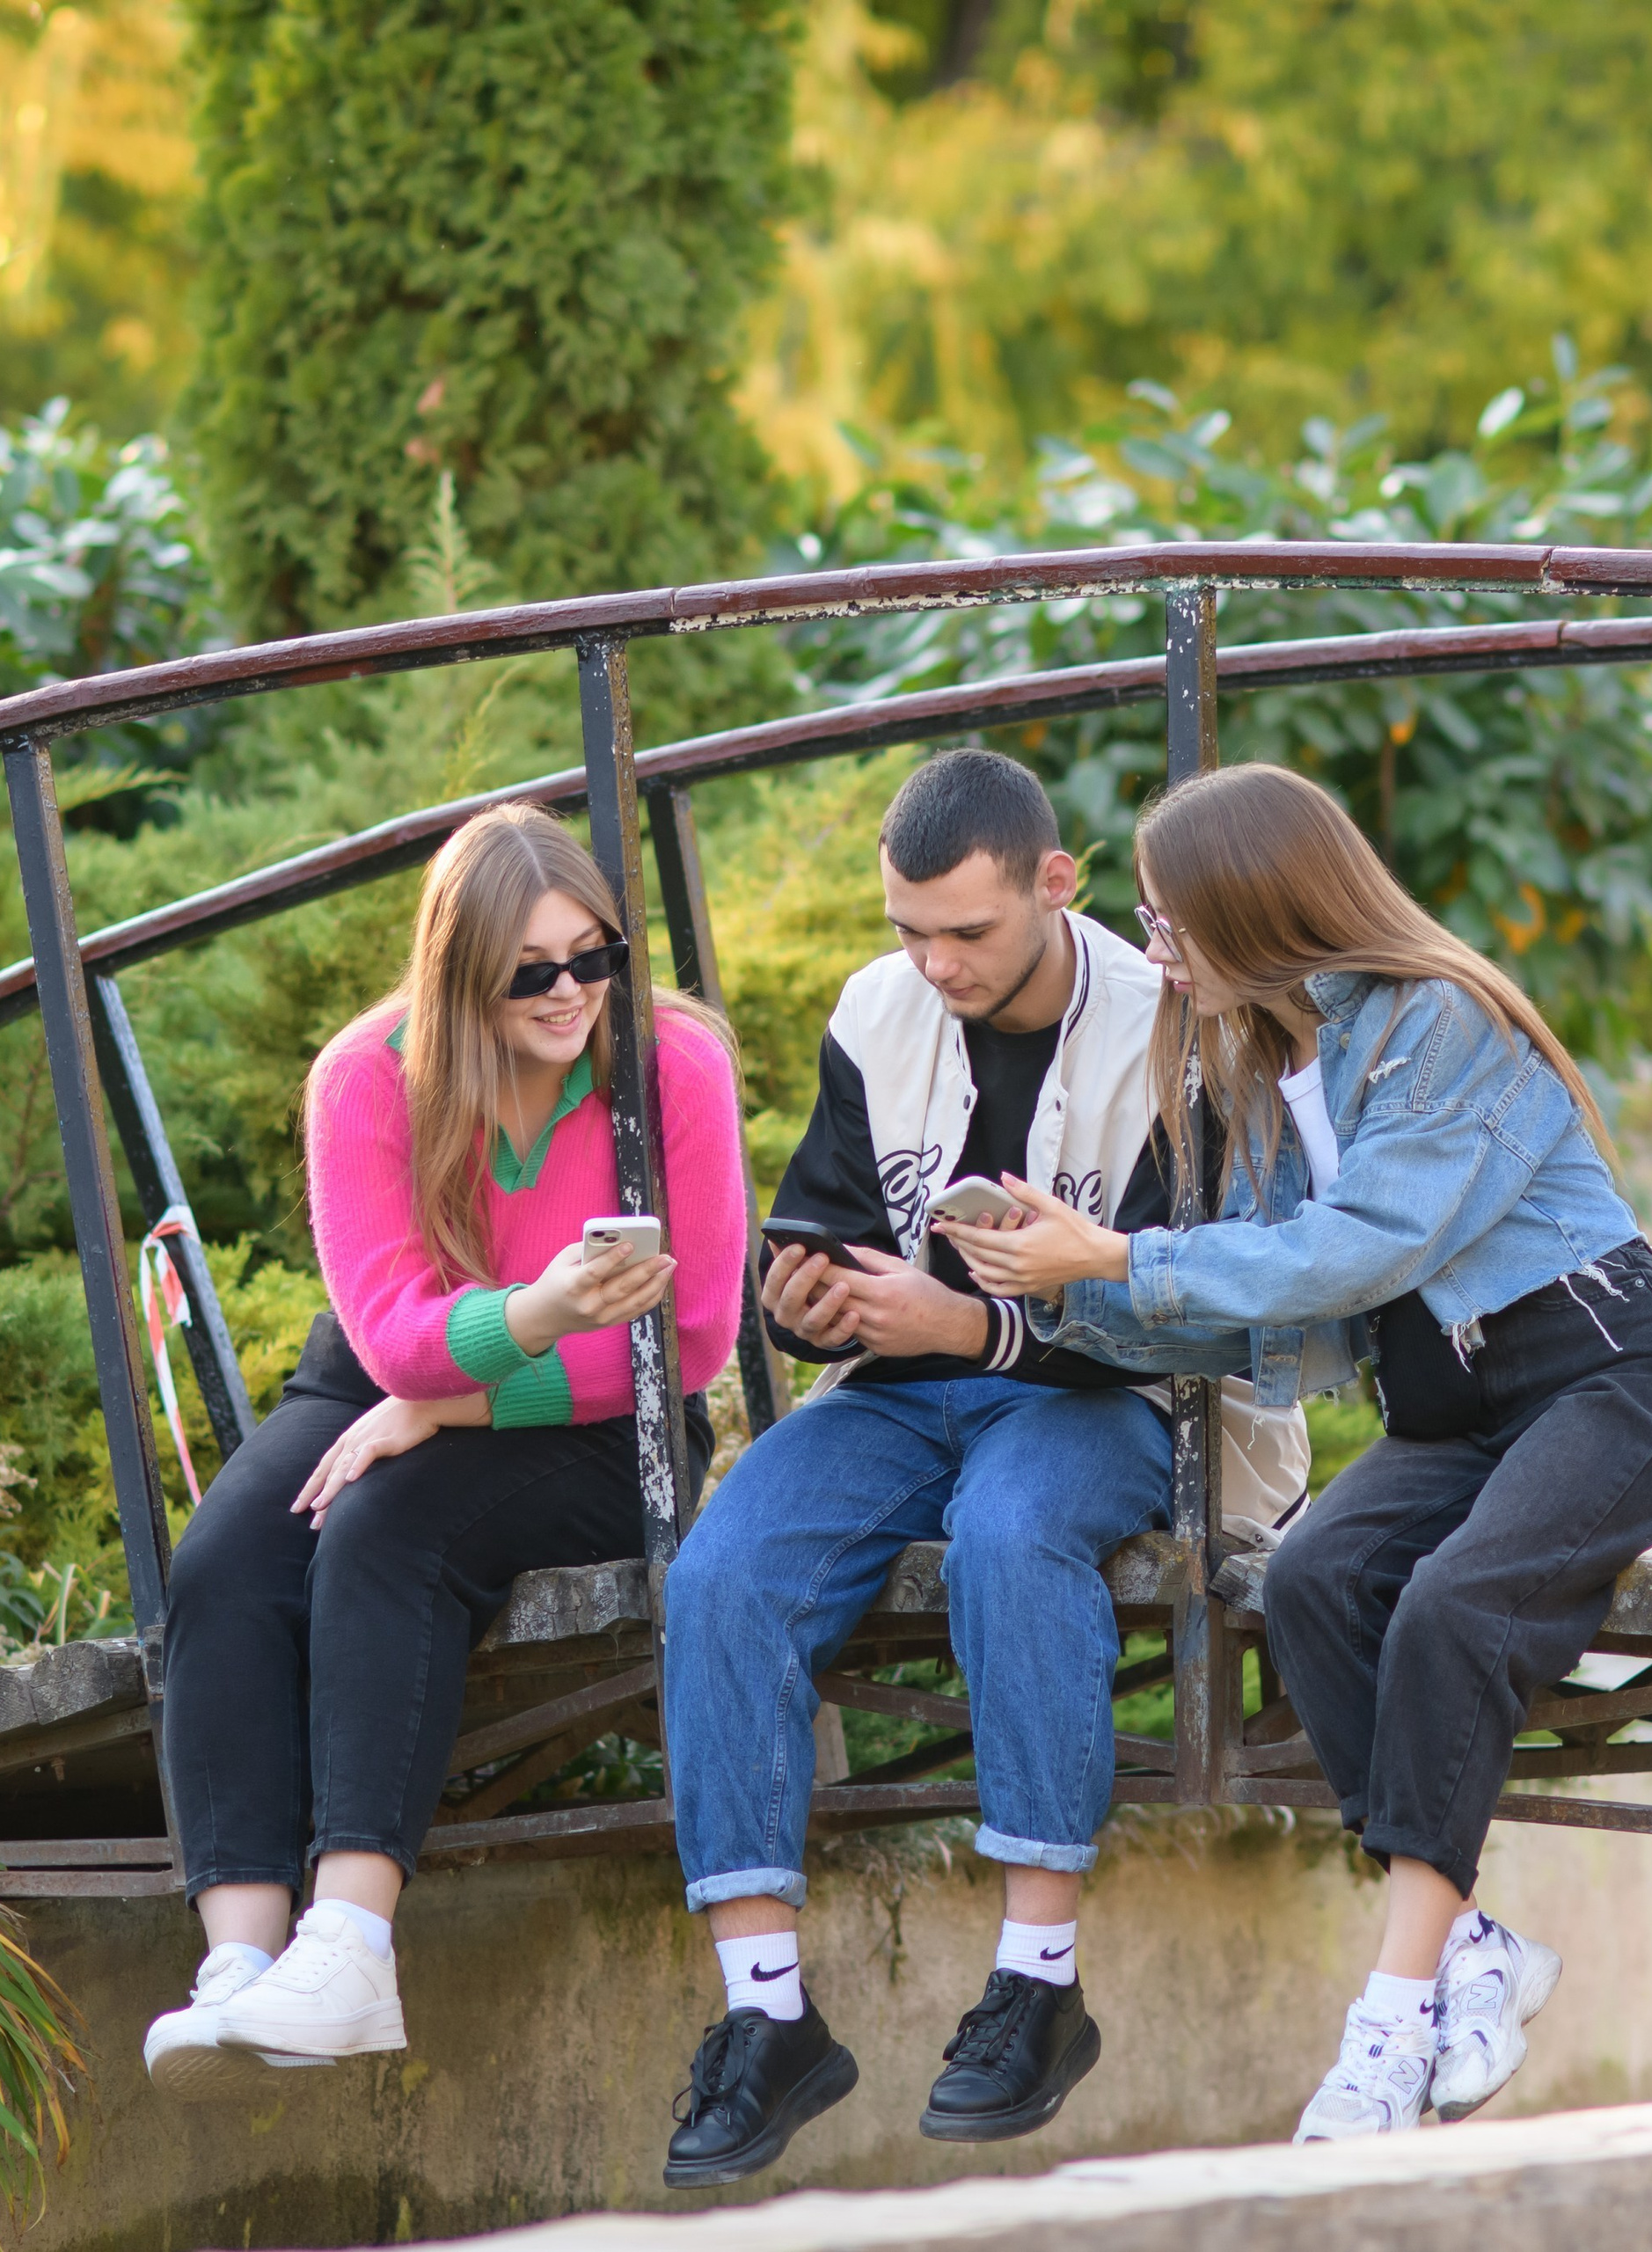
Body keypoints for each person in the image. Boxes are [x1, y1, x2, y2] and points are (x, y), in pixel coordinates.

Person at [947, 763, 1652, 2143]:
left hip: (1611, 1382)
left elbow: (1361, 1248)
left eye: (1172, 919)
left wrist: (1120, 1253)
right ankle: (1475, 1946)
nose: (1157, 950)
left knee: (1455, 1603)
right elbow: (1268, 1313)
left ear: (1258, 906)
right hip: (1455, 1419)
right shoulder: (1265, 1068)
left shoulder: (1437, 1022)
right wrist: (1057, 1288)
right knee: (1310, 1581)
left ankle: (1392, 2018)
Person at [141, 804, 744, 2101]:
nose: (571, 992)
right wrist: (491, 1346)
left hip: (613, 1413)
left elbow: (688, 1340)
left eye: (594, 957)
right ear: (459, 973)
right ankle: (239, 1969)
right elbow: (397, 1342)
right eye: (532, 972)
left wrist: (460, 1405)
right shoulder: (366, 1077)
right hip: (394, 1366)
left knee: (386, 1527)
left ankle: (351, 1946)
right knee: (229, 1560)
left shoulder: (673, 1062)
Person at [656, 749, 1184, 2187]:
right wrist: (804, 1299)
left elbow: (1187, 1302)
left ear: (1055, 882)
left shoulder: (1166, 1024)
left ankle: (1039, 1985)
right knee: (720, 1574)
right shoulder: (876, 1008)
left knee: (1012, 1538)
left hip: (1100, 1397)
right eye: (909, 930)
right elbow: (821, 1222)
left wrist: (978, 1327)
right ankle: (768, 2019)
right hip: (896, 1394)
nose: (935, 963)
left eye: (968, 931)